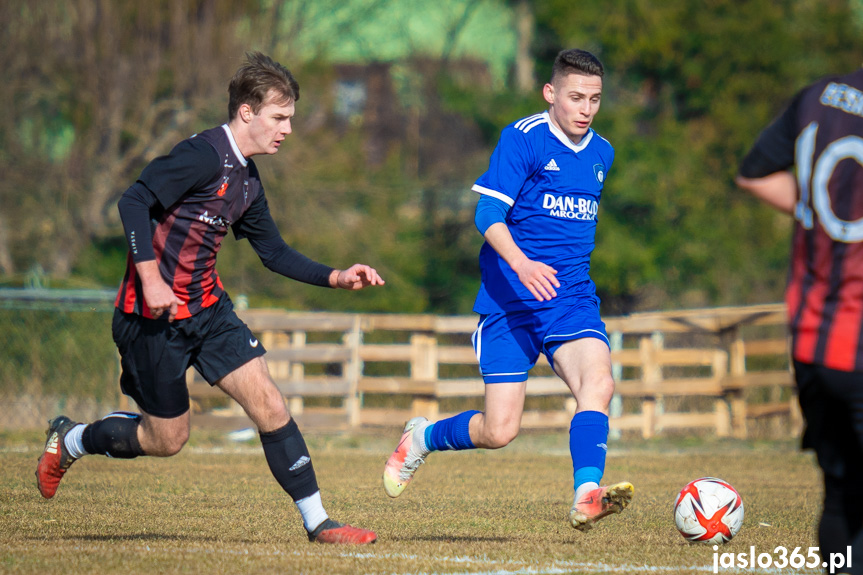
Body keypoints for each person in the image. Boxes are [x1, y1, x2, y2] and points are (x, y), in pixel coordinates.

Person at [35, 52, 383, 545]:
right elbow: (132, 201)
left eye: (290, 119)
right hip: (150, 318)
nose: (287, 129)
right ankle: (71, 438)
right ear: (247, 112)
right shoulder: (201, 155)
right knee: (167, 439)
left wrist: (336, 276)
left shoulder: (247, 180)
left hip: (208, 311)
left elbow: (274, 253)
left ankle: (319, 523)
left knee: (270, 403)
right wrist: (151, 279)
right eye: (279, 118)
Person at [382, 48, 633, 532]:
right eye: (576, 97)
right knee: (500, 431)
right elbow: (486, 215)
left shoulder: (603, 153)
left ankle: (587, 493)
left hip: (571, 298)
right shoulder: (523, 140)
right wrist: (522, 263)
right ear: (551, 93)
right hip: (510, 302)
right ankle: (422, 438)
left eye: (595, 99)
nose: (585, 109)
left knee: (597, 384)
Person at [736, 67, 863, 574]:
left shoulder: (817, 96)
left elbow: (754, 173)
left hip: (811, 340)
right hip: (858, 343)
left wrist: (817, 206)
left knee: (840, 497)